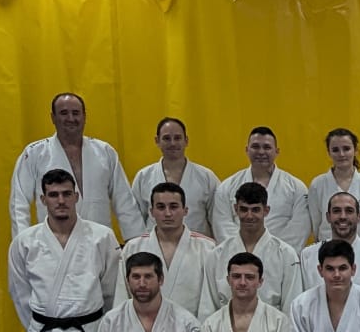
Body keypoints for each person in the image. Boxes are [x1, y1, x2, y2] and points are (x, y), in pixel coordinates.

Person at [7, 170, 120, 332]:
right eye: (53, 195)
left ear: (77, 196)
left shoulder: (101, 237)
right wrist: (37, 326)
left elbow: (112, 290)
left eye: (67, 194)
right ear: (43, 199)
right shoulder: (25, 242)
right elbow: (20, 293)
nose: (61, 200)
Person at [10, 90, 142, 239]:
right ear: (53, 117)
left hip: (100, 242)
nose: (71, 118)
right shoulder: (35, 153)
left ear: (84, 116)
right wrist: (22, 244)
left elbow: (124, 200)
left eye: (76, 113)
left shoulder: (104, 152)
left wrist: (136, 243)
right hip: (54, 243)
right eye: (64, 113)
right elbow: (19, 203)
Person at [116, 182, 217, 318]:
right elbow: (122, 296)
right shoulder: (133, 247)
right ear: (151, 212)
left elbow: (210, 299)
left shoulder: (207, 248)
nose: (168, 213)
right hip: (143, 330)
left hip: (191, 330)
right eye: (161, 207)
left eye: (174, 207)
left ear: (185, 210)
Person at [207, 180, 300, 310]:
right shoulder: (217, 255)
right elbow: (208, 305)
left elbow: (291, 305)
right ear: (235, 209)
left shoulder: (286, 254)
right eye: (244, 209)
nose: (249, 216)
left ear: (266, 210)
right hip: (225, 328)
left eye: (255, 210)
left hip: (273, 328)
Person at [211, 126, 310, 244]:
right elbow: (222, 225)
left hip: (281, 257)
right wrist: (244, 253)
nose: (261, 152)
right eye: (255, 147)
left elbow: (299, 229)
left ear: (277, 151)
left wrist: (273, 252)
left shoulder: (297, 188)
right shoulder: (227, 187)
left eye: (267, 147)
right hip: (238, 258)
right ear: (247, 150)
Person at [131, 116, 220, 237]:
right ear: (157, 141)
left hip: (197, 248)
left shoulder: (206, 177)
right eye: (166, 138)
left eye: (177, 138)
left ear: (186, 141)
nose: (172, 143)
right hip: (154, 248)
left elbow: (218, 217)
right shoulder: (143, 176)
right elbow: (135, 218)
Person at [299, 190, 360, 297]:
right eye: (336, 211)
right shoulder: (308, 255)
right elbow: (303, 301)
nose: (343, 216)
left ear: (359, 217)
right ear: (328, 217)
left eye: (349, 211)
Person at [308, 128, 360, 240]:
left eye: (346, 149)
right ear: (329, 152)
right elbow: (316, 223)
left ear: (356, 150)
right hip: (328, 247)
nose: (341, 154)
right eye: (335, 150)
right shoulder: (318, 184)